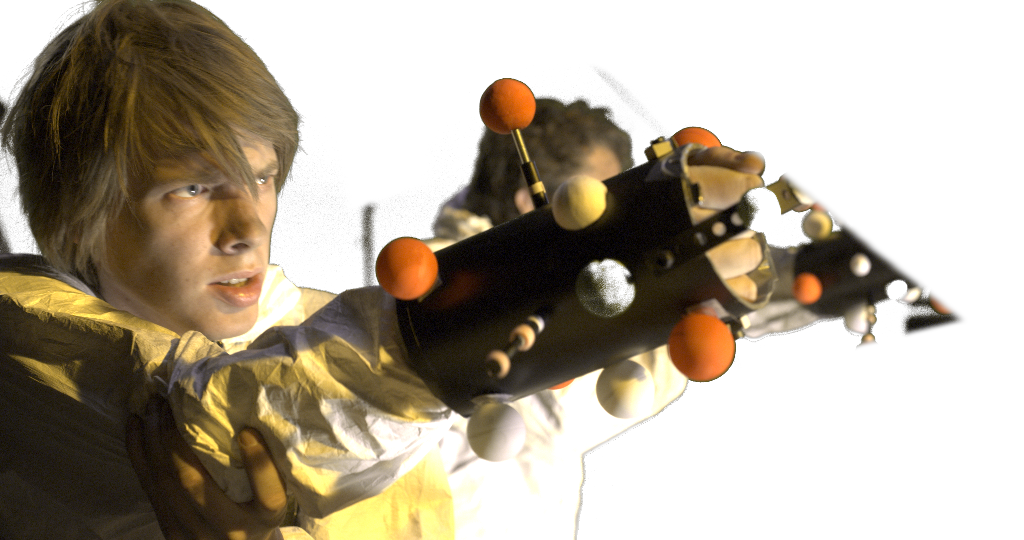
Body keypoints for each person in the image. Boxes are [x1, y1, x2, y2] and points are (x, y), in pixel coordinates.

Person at [0, 2, 777, 539]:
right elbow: (207, 423)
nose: (247, 230)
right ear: (83, 217)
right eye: (193, 190)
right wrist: (495, 304)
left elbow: (549, 415)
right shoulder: (27, 342)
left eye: (262, 178)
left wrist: (763, 276)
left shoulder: (309, 322)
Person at [427, 97, 775, 539]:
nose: (621, 230)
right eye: (606, 206)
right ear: (531, 202)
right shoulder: (438, 291)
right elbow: (559, 408)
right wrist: (695, 286)